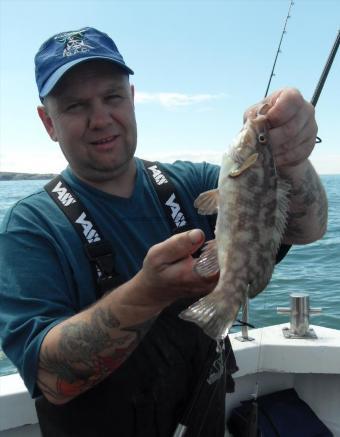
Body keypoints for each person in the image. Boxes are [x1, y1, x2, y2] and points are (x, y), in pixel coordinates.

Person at [0, 27, 327, 437]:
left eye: (112, 97)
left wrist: (291, 160)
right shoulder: (31, 227)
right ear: (48, 122)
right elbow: (51, 378)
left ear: (133, 99)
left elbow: (305, 228)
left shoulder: (190, 184)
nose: (100, 118)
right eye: (75, 105)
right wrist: (148, 292)